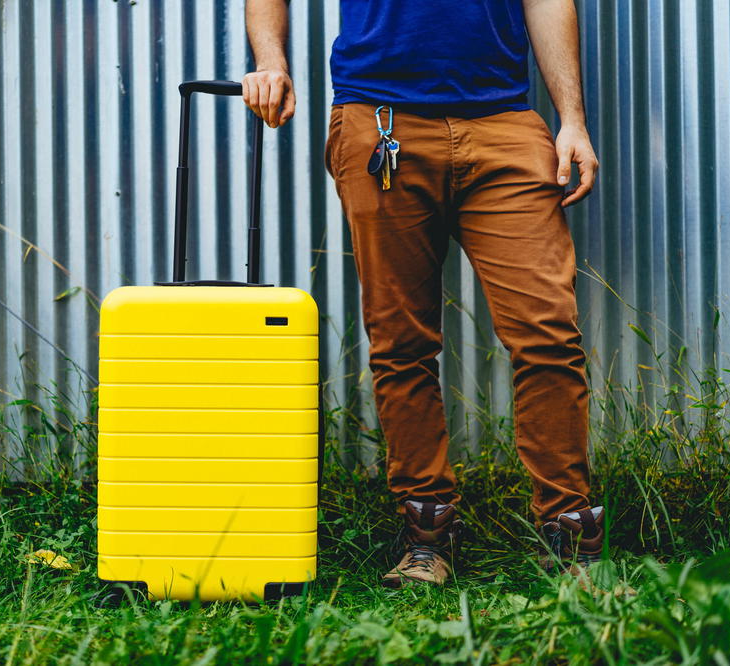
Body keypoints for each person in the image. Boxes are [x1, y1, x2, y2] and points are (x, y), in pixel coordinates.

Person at [243, 0, 604, 587]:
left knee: (548, 335)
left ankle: (568, 533)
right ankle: (426, 532)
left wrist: (572, 120)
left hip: (505, 123)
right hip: (381, 122)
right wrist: (271, 59)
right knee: (401, 342)